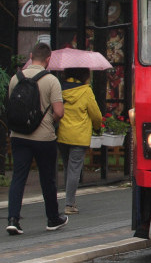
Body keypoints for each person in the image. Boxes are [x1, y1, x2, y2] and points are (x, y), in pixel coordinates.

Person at [6, 42, 68, 235]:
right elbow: (59, 112)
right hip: (43, 137)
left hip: (18, 135)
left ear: (31, 56)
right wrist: (49, 119)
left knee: (18, 177)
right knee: (47, 178)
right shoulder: (51, 81)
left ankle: (13, 219)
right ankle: (52, 218)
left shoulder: (15, 79)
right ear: (48, 59)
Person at [57, 67, 101, 215]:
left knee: (67, 167)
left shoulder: (60, 89)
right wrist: (97, 128)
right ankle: (69, 204)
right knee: (74, 169)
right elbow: (96, 115)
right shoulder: (85, 91)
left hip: (62, 135)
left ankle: (69, 199)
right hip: (79, 136)